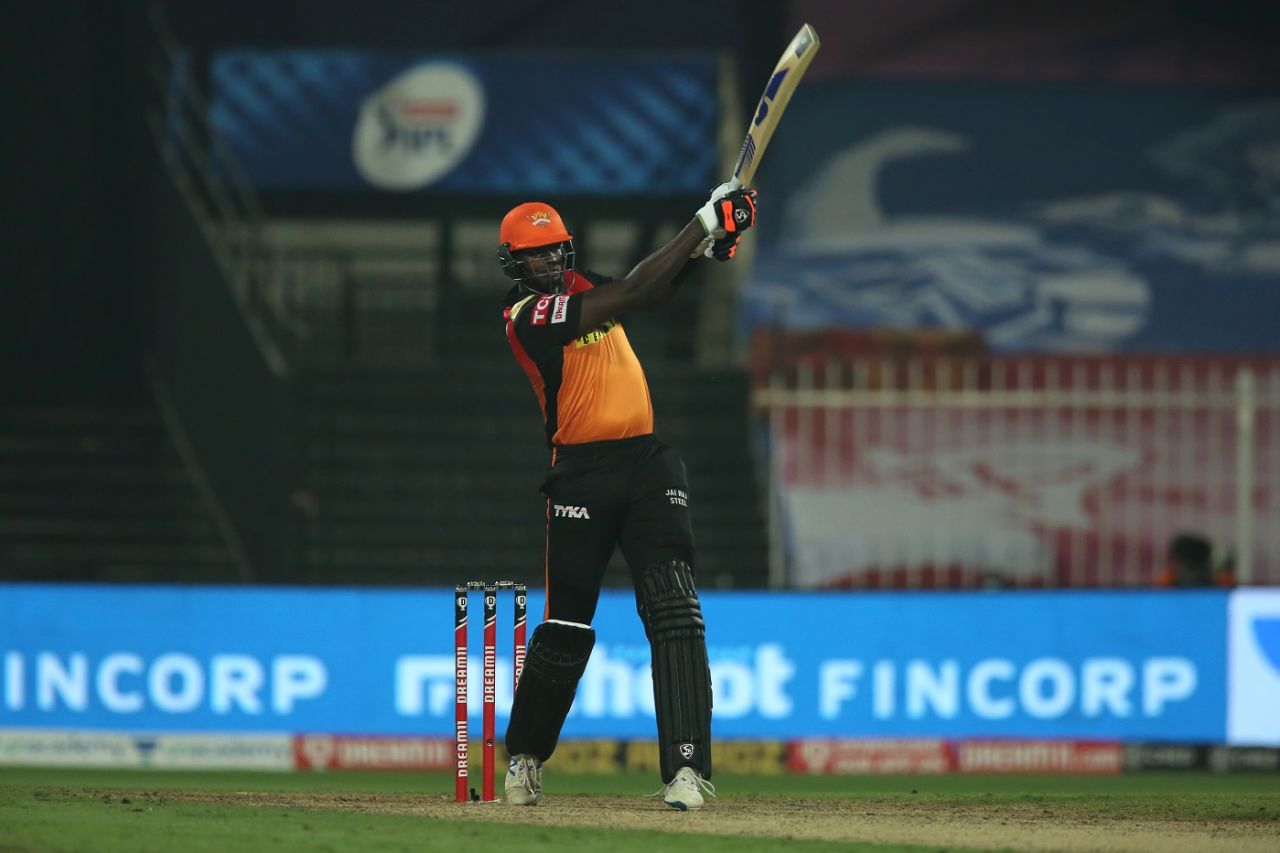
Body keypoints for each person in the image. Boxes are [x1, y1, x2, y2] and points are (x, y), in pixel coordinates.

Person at [495, 182, 758, 810]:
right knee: (567, 625)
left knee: (675, 611)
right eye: (535, 255)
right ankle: (526, 758)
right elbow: (637, 289)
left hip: (647, 465)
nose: (550, 263)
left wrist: (702, 252)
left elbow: (654, 294)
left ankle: (686, 770)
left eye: (556, 250)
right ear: (514, 264)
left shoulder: (585, 286)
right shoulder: (526, 317)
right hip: (579, 473)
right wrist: (701, 224)